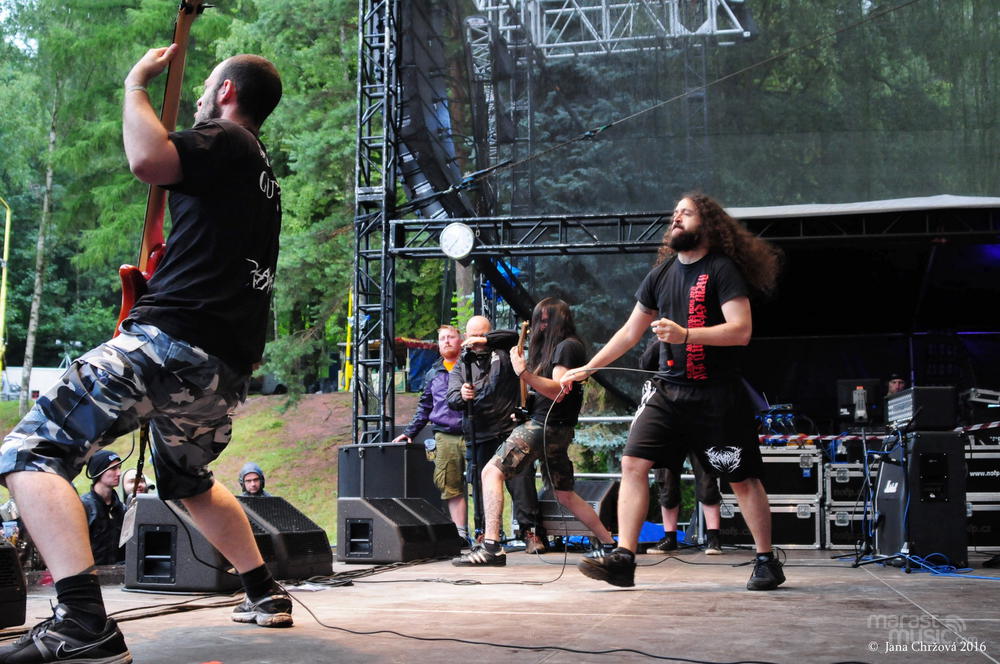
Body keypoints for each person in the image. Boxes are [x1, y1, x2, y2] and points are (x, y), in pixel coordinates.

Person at [0, 45, 286, 663]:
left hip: (170, 345)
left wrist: (135, 84)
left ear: (227, 93)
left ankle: (82, 623)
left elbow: (147, 158)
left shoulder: (226, 139)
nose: (201, 96)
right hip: (220, 371)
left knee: (30, 450)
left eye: (208, 86)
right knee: (189, 481)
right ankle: (264, 591)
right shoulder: (262, 176)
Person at [561, 192, 786, 590]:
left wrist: (686, 334)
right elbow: (630, 332)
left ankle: (767, 560)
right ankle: (624, 558)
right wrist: (589, 367)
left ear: (708, 224)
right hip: (668, 392)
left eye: (687, 213)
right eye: (676, 213)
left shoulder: (722, 269)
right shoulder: (662, 274)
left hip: (716, 395)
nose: (677, 218)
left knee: (741, 478)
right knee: (633, 463)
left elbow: (741, 330)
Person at [453, 298, 616, 566]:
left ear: (559, 321)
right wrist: (526, 407)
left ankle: (491, 546)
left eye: (545, 321)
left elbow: (558, 392)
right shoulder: (558, 349)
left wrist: (525, 374)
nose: (540, 326)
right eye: (539, 320)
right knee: (564, 493)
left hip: (544, 427)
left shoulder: (567, 347)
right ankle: (608, 544)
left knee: (491, 472)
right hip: (554, 428)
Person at [638, 339, 723, 555]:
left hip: (699, 413)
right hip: (668, 417)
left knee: (707, 477)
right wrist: (660, 341)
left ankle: (714, 538)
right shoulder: (659, 341)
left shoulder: (699, 338)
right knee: (666, 480)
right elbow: (645, 364)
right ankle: (670, 537)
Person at [392, 325, 469, 542]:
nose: (446, 341)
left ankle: (487, 535)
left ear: (460, 340)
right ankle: (461, 534)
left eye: (451, 337)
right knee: (450, 485)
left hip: (475, 433)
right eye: (442, 338)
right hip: (445, 434)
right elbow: (425, 407)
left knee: (484, 482)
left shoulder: (472, 366)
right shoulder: (433, 373)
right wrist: (410, 432)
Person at [80, 451, 126, 566]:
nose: (119, 473)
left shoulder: (122, 508)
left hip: (119, 573)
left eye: (119, 468)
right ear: (99, 471)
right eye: (113, 468)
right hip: (91, 573)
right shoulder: (83, 507)